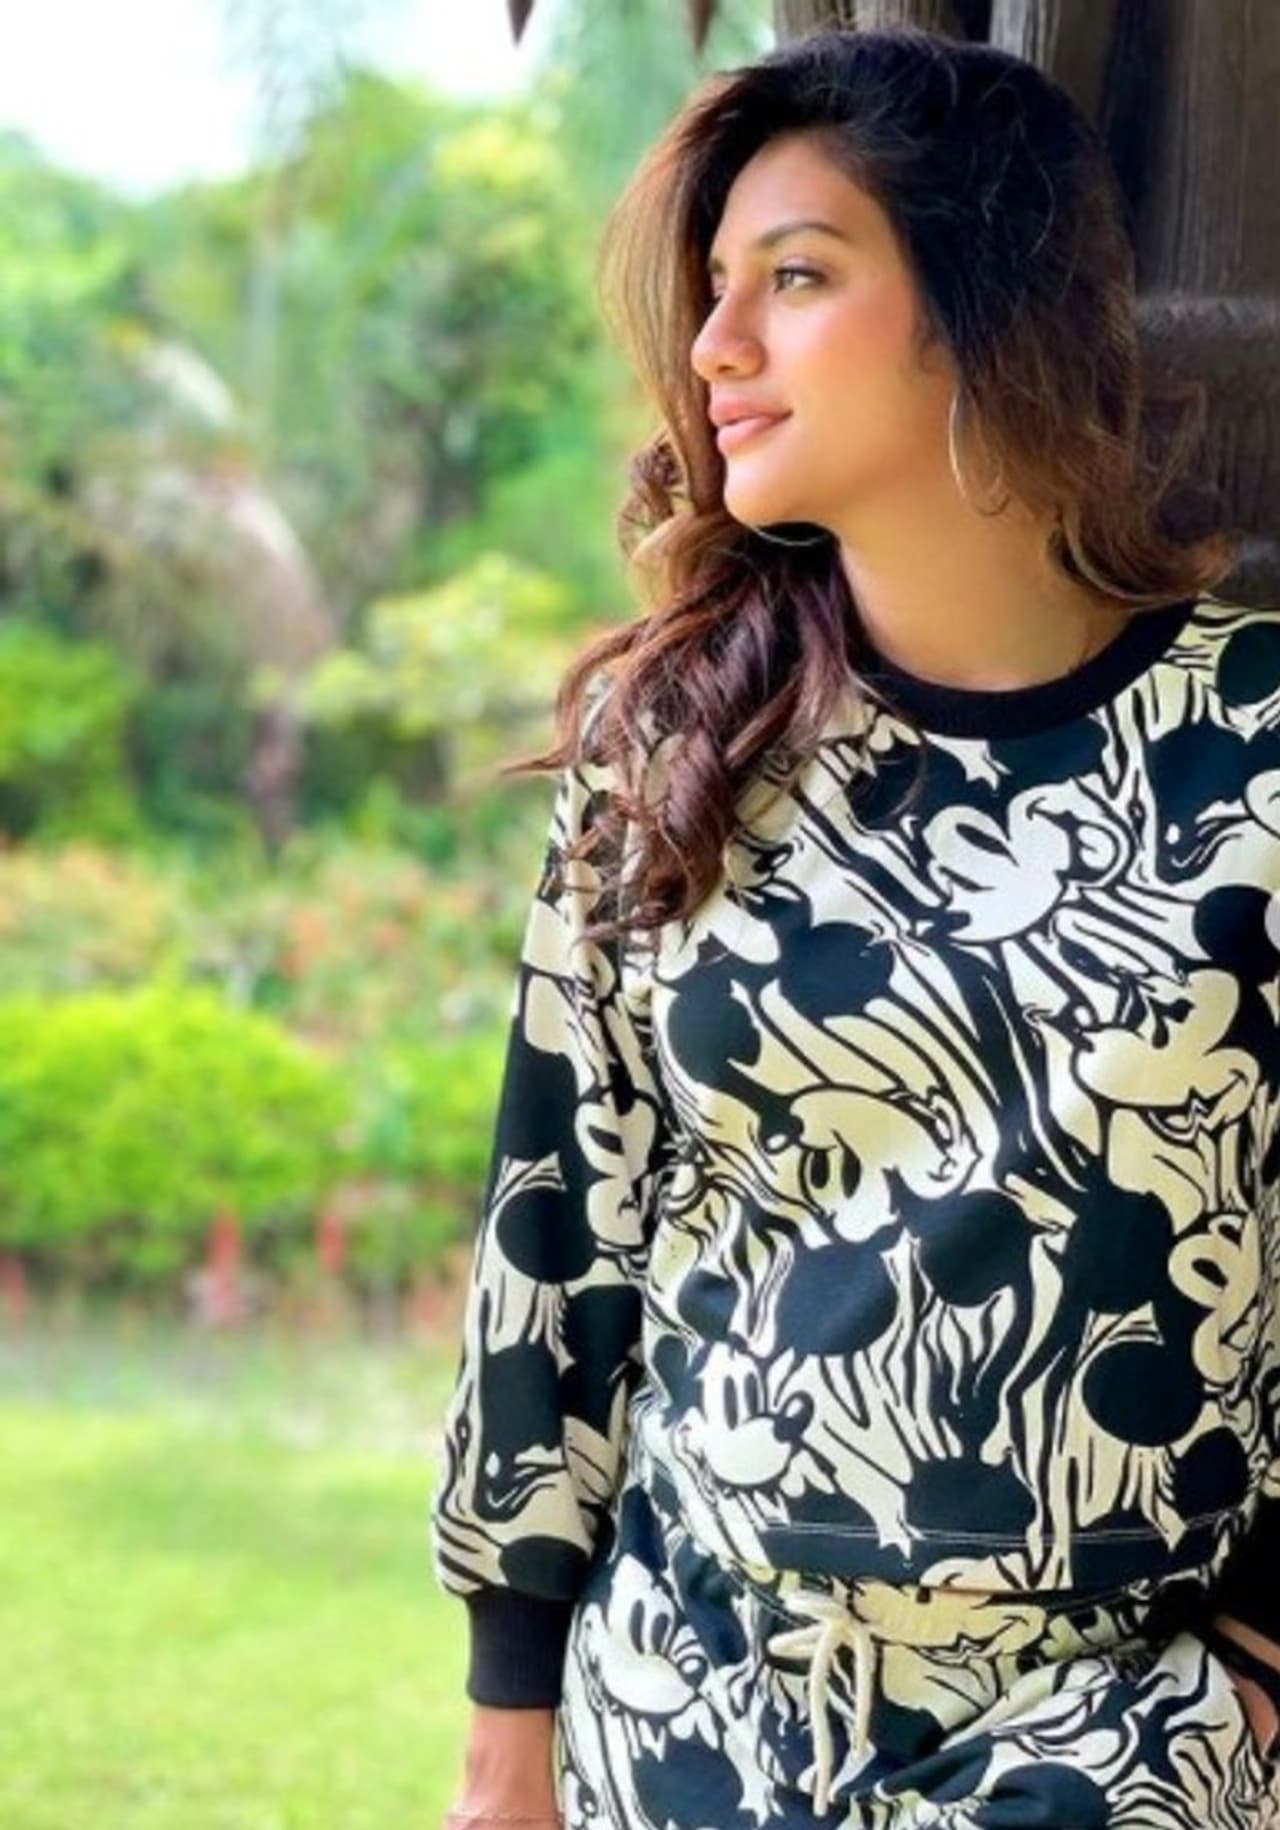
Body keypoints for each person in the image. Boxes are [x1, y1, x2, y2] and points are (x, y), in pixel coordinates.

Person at [430, 24, 1280, 1829]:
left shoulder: (1259, 750)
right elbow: (556, 1234)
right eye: (713, 291)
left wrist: (1251, 1677)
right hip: (685, 1712)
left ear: (983, 304)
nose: (716, 348)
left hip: (1106, 1745)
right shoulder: (675, 747)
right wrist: (510, 1733)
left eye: (796, 278)